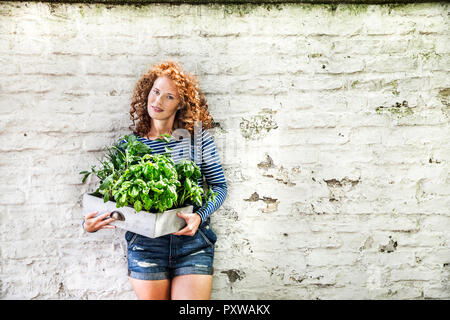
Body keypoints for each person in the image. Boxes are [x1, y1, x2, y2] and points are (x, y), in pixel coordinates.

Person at [83, 61, 227, 300]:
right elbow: (109, 197)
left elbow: (219, 187)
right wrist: (89, 224)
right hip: (146, 245)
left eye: (169, 97)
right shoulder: (129, 146)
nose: (158, 102)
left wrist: (199, 216)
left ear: (180, 104)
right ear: (147, 92)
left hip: (192, 241)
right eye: (156, 92)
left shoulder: (197, 140)